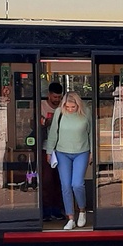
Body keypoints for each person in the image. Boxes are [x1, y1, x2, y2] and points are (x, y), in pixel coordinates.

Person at [44, 92, 94, 231]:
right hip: (62, 153)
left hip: (82, 152)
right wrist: (49, 151)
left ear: (78, 104)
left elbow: (92, 133)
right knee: (65, 185)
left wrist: (92, 151)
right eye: (68, 106)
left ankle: (82, 210)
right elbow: (53, 133)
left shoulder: (86, 112)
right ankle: (70, 218)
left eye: (73, 106)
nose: (70, 109)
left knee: (77, 184)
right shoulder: (59, 112)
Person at [38, 82, 65, 221]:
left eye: (59, 97)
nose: (57, 100)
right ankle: (46, 211)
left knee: (60, 180)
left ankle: (57, 209)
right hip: (45, 147)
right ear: (49, 95)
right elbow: (36, 123)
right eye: (55, 97)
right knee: (47, 180)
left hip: (62, 148)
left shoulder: (64, 106)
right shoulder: (41, 106)